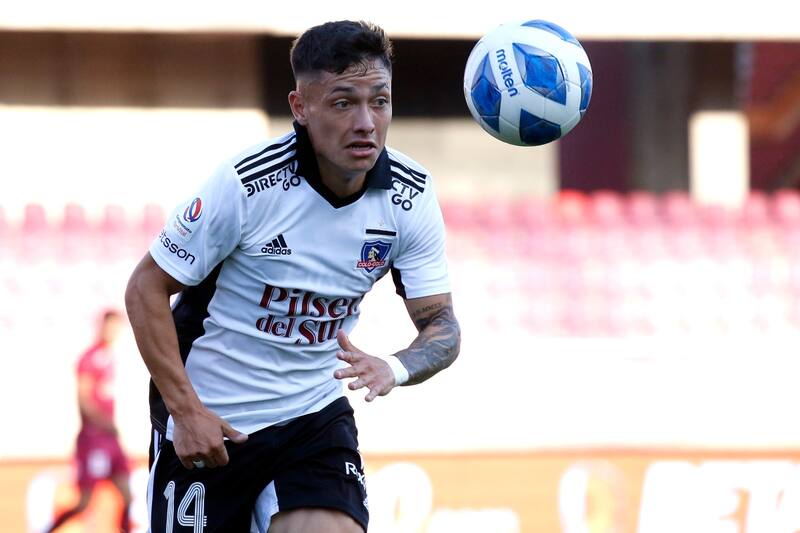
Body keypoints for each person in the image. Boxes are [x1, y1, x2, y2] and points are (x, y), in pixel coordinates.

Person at [125, 20, 460, 533]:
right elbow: (145, 287)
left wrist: (393, 366)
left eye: (381, 100)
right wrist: (186, 411)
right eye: (344, 103)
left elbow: (442, 326)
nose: (367, 123)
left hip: (313, 417)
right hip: (215, 423)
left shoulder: (409, 196)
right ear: (300, 108)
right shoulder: (246, 185)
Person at [46, 309, 132, 532]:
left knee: (128, 497)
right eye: (110, 326)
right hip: (94, 440)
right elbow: (84, 400)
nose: (113, 332)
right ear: (101, 326)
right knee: (84, 502)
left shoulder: (108, 356)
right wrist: (105, 424)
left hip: (110, 440)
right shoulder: (90, 357)